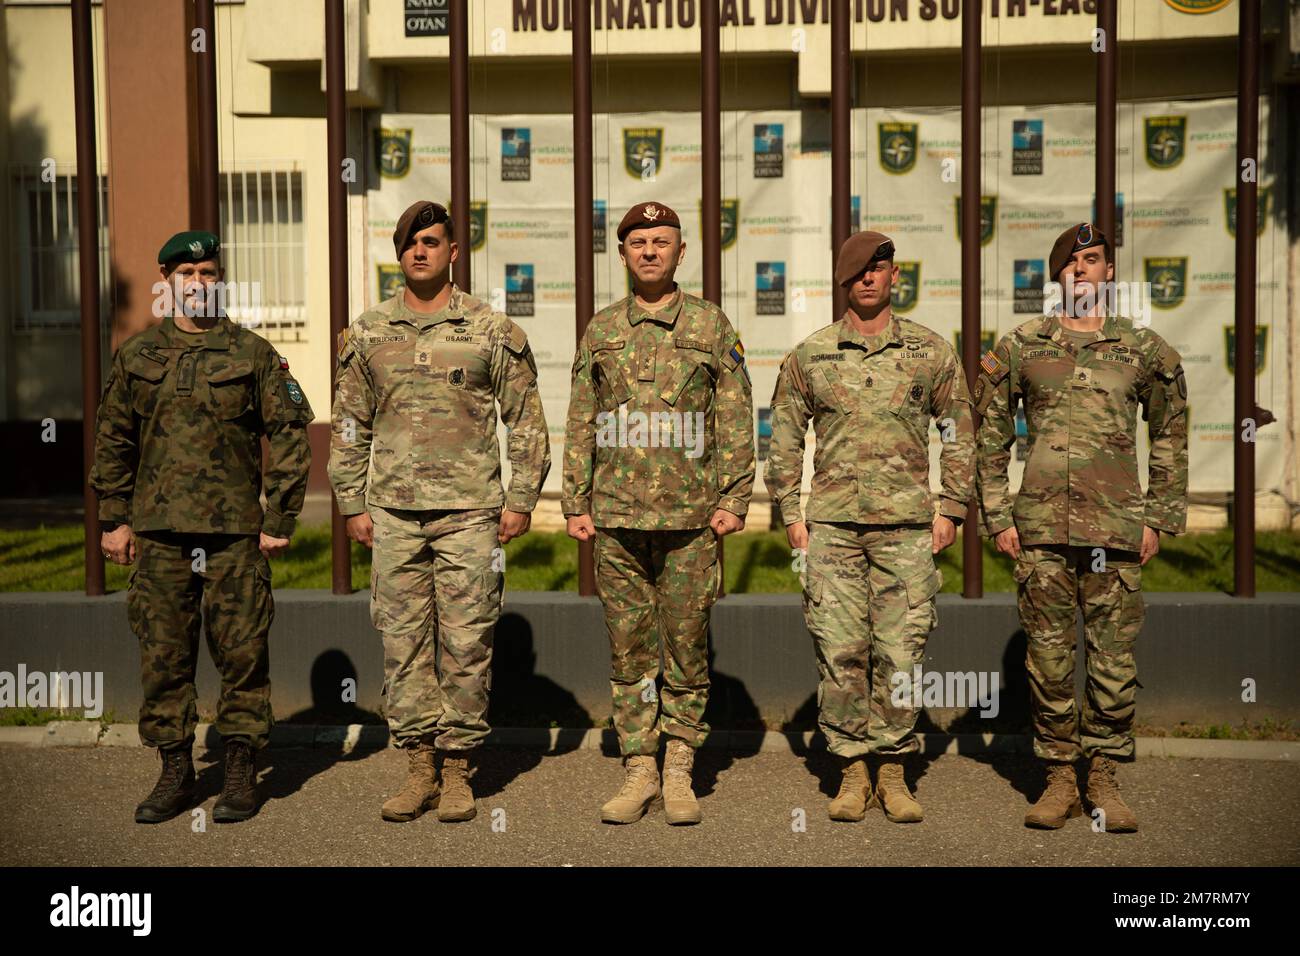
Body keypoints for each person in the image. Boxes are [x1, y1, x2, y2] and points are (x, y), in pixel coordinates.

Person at [329, 200, 550, 823]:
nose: (419, 252)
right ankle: (418, 765)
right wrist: (351, 503)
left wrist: (522, 499)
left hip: (472, 514)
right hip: (394, 513)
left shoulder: (490, 330)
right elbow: (349, 426)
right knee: (401, 644)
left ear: (454, 252)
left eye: (431, 242)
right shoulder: (368, 333)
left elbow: (526, 420)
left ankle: (458, 769)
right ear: (398, 256)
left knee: (467, 641)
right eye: (409, 244)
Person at [91, 229, 313, 824]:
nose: (198, 284)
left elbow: (290, 434)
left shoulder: (252, 353)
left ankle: (239, 768)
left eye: (209, 274)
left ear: (220, 282)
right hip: (159, 533)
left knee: (243, 654)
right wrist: (113, 518)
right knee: (163, 656)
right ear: (167, 282)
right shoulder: (138, 356)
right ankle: (175, 770)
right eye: (187, 276)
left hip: (236, 534)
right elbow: (113, 438)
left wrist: (280, 515)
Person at [975, 222, 1188, 832]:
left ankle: (1105, 776)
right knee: (1048, 659)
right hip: (1040, 528)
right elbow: (989, 436)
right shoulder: (1022, 345)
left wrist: (1160, 517)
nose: (1081, 271)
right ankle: (1058, 776)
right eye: (1070, 263)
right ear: (1056, 277)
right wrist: (997, 516)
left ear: (1110, 272)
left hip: (1117, 530)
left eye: (1092, 260)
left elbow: (1171, 432)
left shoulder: (1144, 350)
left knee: (1113, 658)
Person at [766, 231, 974, 823]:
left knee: (902, 653)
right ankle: (852, 771)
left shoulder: (930, 352)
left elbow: (959, 430)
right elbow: (783, 437)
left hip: (906, 529)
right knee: (839, 651)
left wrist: (952, 508)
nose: (867, 278)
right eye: (856, 270)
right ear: (843, 280)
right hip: (830, 530)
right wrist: (792, 515)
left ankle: (894, 769)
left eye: (877, 268)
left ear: (894, 276)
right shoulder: (813, 354)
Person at [562, 201, 755, 825]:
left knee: (687, 645)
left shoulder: (710, 326)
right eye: (638, 241)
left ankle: (679, 766)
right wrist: (575, 499)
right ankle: (639, 766)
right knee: (629, 650)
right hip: (616, 520)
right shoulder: (601, 329)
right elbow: (581, 419)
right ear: (621, 253)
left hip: (691, 520)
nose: (649, 251)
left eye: (661, 241)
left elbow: (733, 417)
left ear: (680, 252)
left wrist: (733, 498)